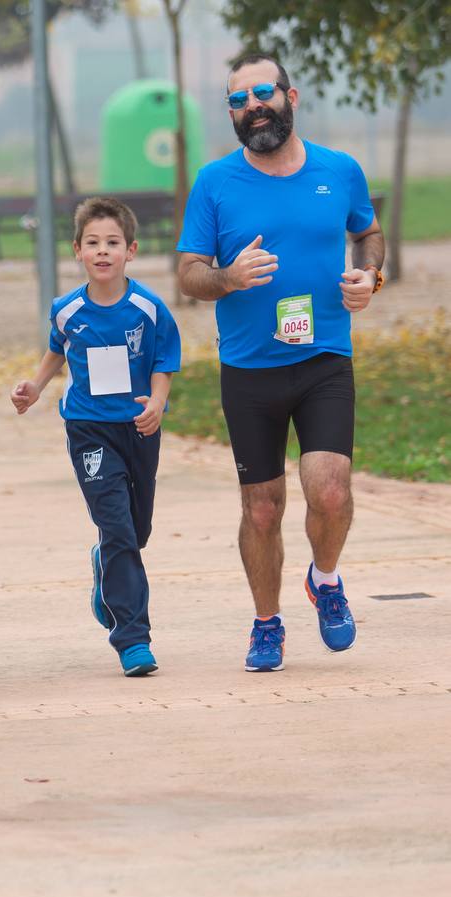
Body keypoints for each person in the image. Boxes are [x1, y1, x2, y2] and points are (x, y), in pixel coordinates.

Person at [176, 53, 382, 672]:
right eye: (238, 100)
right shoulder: (215, 183)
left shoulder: (339, 170)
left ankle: (325, 578)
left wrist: (371, 276)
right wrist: (228, 277)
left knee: (331, 490)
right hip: (249, 369)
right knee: (262, 507)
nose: (252, 106)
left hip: (324, 357)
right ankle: (266, 624)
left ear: (290, 95)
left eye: (262, 92)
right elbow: (188, 275)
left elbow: (367, 231)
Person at [11, 198, 180, 676]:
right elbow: (56, 351)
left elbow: (165, 360)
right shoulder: (67, 310)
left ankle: (106, 564)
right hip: (88, 429)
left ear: (131, 251)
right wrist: (35, 388)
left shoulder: (148, 309)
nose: (102, 252)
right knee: (119, 527)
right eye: (93, 243)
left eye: (112, 244)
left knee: (136, 530)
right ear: (77, 251)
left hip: (138, 428)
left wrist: (156, 403)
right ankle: (132, 638)